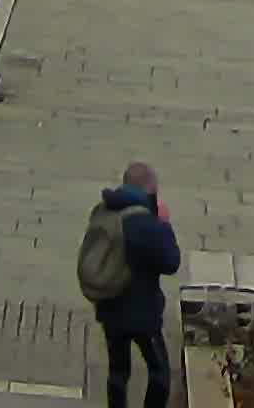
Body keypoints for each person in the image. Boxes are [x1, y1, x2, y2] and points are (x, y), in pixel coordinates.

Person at [76, 161, 181, 408]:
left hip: (110, 309)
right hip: (142, 315)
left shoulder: (104, 209)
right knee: (160, 373)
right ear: (150, 189)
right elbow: (171, 261)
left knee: (118, 371)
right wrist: (164, 224)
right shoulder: (143, 224)